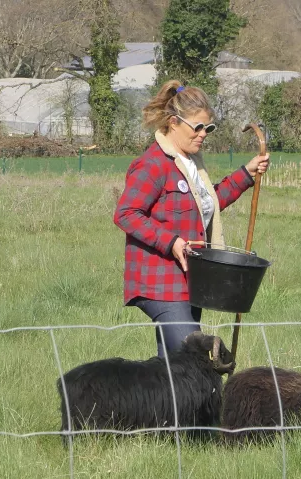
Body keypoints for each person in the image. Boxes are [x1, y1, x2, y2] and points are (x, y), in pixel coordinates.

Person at [114, 80, 269, 358]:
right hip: (160, 283)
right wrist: (172, 242)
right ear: (174, 122)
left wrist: (246, 174)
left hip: (191, 281)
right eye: (197, 127)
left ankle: (161, 403)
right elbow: (126, 213)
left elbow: (208, 205)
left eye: (208, 128)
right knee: (197, 362)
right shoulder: (153, 164)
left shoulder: (191, 164)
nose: (203, 135)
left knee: (173, 374)